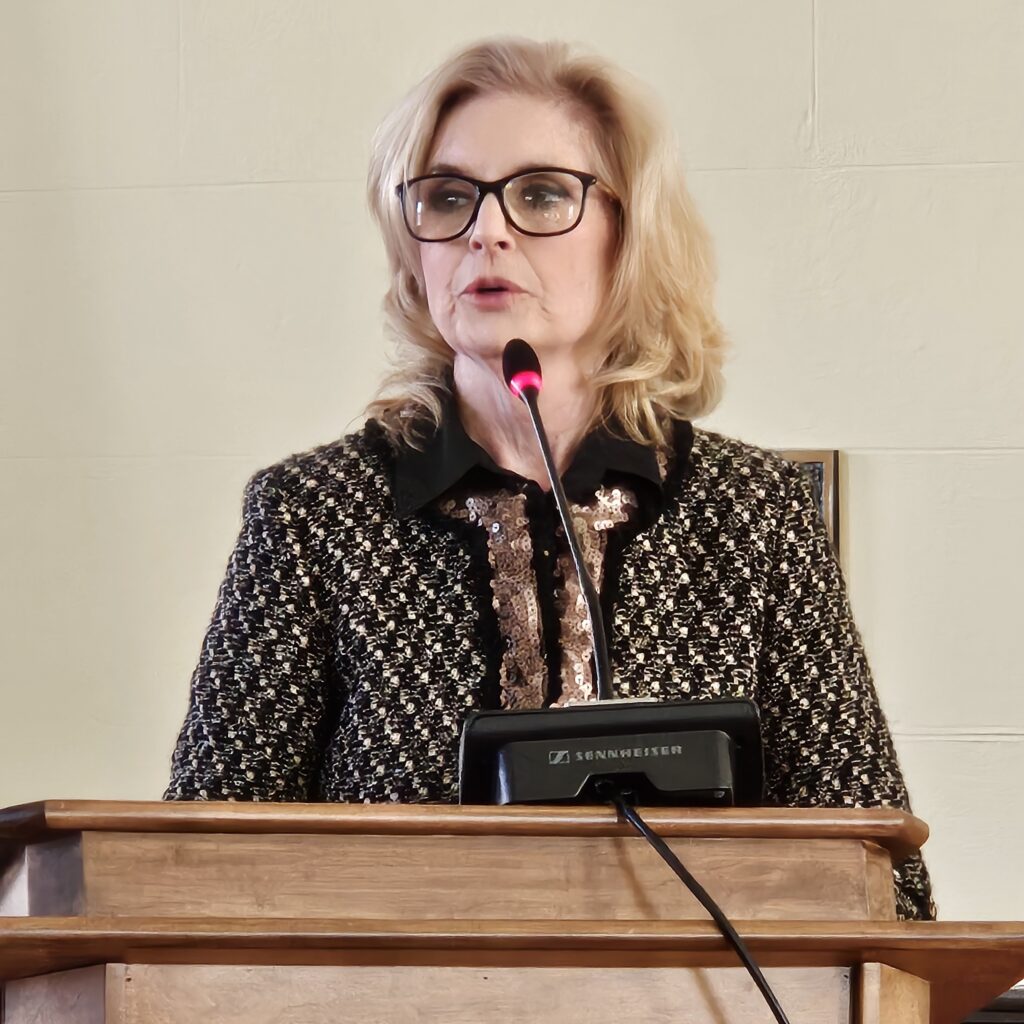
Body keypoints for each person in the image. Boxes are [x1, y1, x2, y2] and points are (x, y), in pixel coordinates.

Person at [164, 37, 935, 921]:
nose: (486, 230)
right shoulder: (311, 514)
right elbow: (198, 869)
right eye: (449, 198)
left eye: (539, 195)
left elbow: (883, 884)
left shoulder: (756, 518)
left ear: (629, 231)